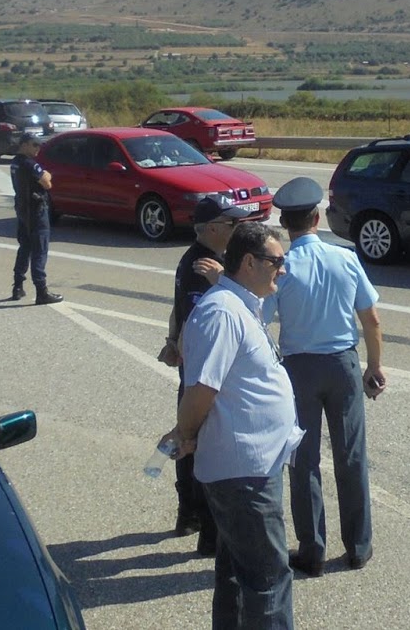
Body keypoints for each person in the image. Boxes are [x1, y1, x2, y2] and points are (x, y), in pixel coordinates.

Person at [165, 222, 302, 630]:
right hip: (244, 474)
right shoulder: (222, 311)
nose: (283, 269)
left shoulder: (240, 304)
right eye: (276, 261)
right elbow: (200, 390)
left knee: (236, 575)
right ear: (248, 263)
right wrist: (186, 433)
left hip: (248, 466)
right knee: (267, 580)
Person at [265, 176, 384, 578]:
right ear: (317, 218)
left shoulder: (281, 269)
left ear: (286, 223)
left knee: (303, 461)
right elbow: (371, 320)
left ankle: (312, 550)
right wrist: (374, 366)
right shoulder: (346, 258)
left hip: (299, 368)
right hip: (342, 366)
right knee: (351, 457)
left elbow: (260, 322)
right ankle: (358, 547)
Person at [159, 194, 249, 556]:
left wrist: (170, 339)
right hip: (204, 371)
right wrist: (224, 281)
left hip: (196, 367)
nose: (238, 228)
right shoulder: (203, 266)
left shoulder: (203, 259)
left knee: (192, 437)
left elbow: (178, 310)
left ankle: (191, 516)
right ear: (212, 228)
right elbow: (201, 319)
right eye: (232, 223)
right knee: (200, 440)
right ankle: (204, 525)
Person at [9, 136, 62, 304]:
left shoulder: (15, 162)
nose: (38, 148)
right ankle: (41, 291)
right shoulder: (30, 164)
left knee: (24, 248)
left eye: (39, 145)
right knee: (40, 251)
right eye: (34, 145)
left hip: (22, 210)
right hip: (36, 211)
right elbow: (47, 184)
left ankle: (18, 286)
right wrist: (47, 174)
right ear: (24, 145)